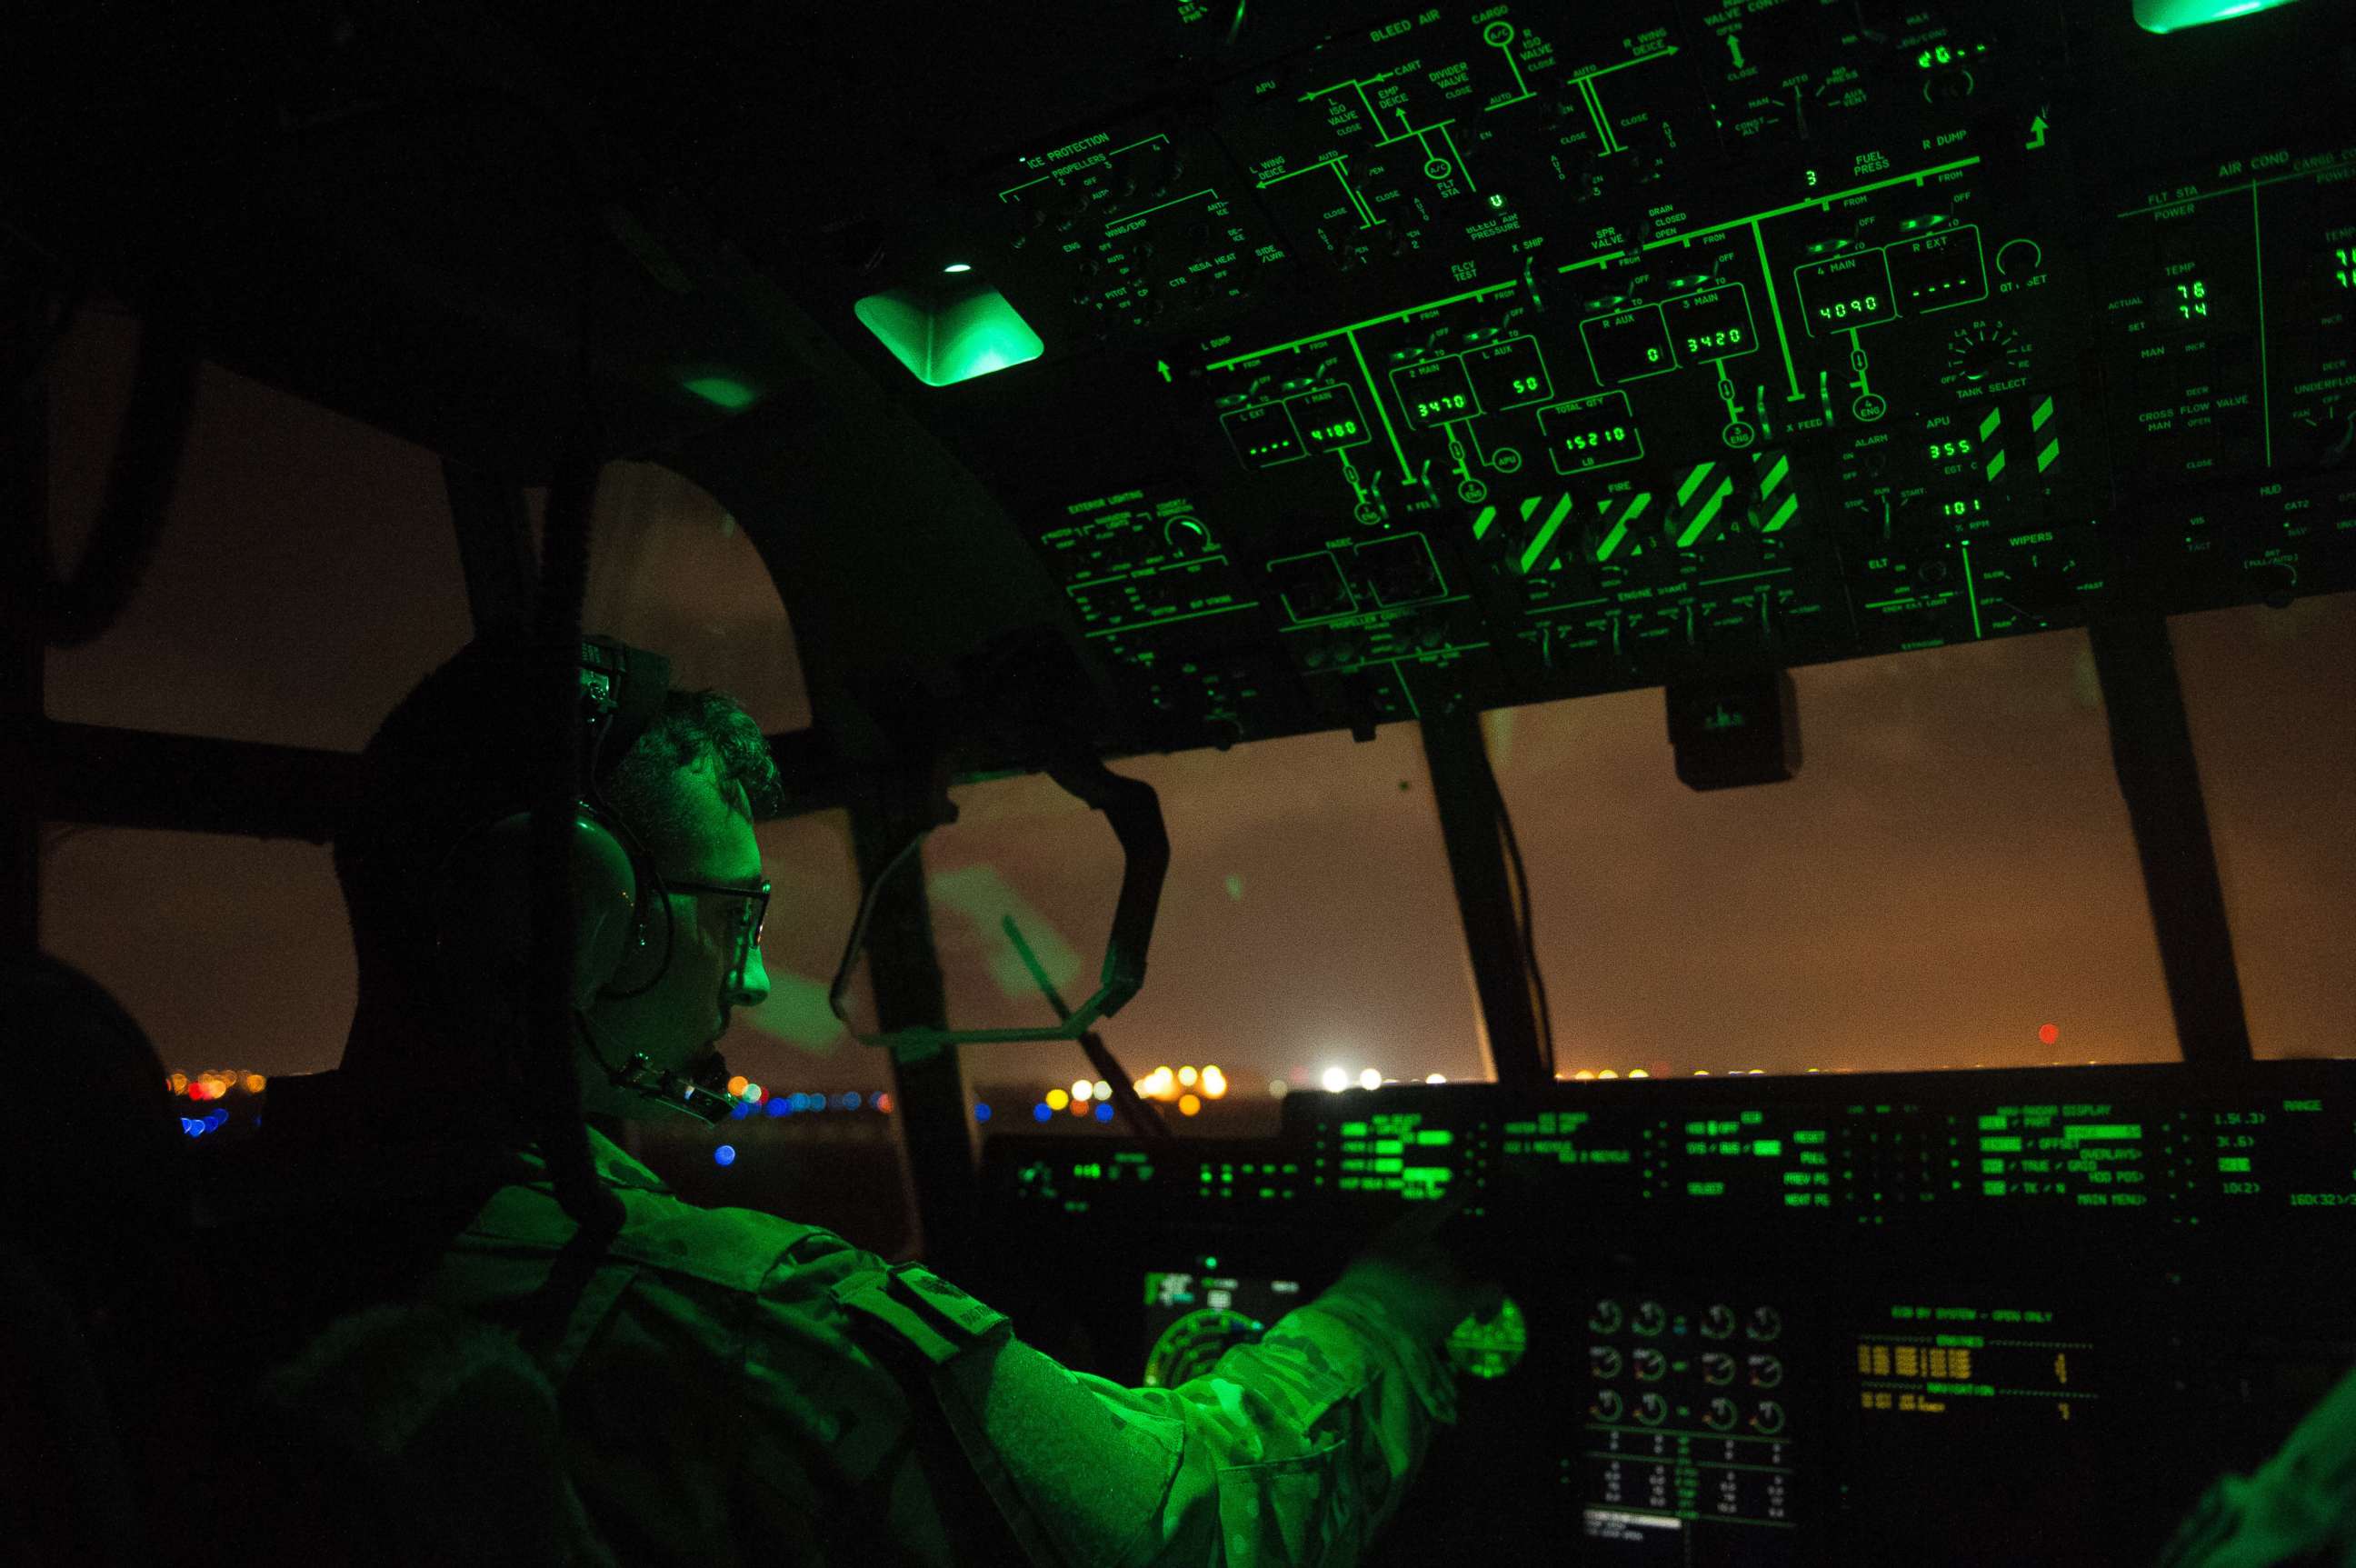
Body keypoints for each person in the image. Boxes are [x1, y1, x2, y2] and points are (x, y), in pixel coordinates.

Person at [193, 635, 1502, 1566]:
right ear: (572, 916)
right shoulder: (713, 1318)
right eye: (733, 914)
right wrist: (1396, 1308)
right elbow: (1185, 1524)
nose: (758, 972)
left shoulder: (219, 1220)